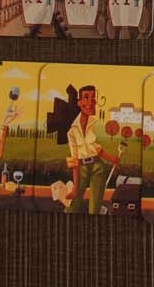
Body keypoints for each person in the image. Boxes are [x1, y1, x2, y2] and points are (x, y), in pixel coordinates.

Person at [46, 84, 121, 214]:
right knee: (72, 206)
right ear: (79, 103)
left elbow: (96, 149)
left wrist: (112, 159)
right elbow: (74, 160)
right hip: (82, 168)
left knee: (95, 209)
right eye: (86, 97)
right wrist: (75, 187)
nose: (91, 102)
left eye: (93, 97)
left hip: (98, 166)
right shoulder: (72, 131)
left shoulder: (92, 123)